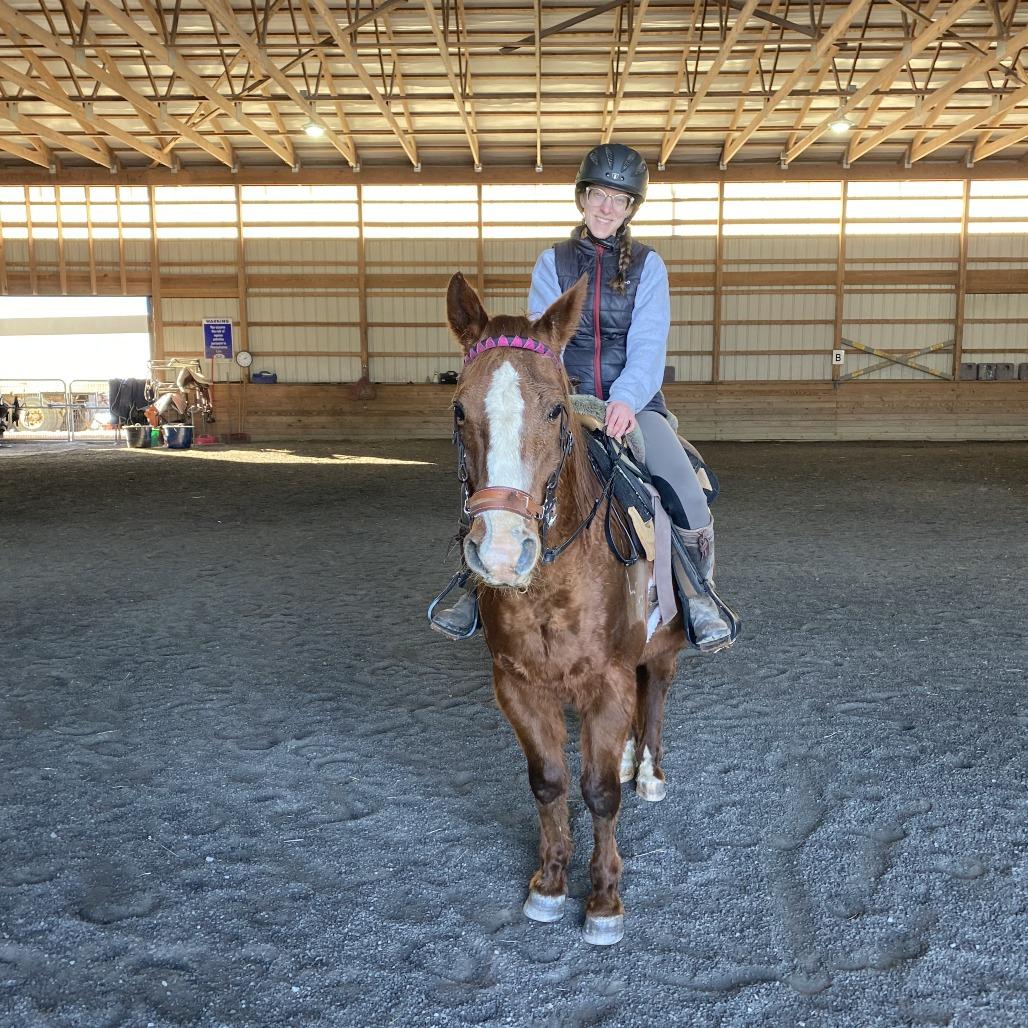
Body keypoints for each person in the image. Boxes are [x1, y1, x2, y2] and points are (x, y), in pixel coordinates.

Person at [431, 143, 733, 652]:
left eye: (619, 200)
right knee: (504, 471)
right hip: (564, 402)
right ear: (583, 198)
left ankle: (700, 597)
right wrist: (561, 399)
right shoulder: (553, 261)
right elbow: (541, 344)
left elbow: (648, 344)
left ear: (630, 208)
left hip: (633, 406)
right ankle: (472, 583)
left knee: (683, 490)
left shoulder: (649, 267)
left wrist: (626, 399)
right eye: (599, 195)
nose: (607, 208)